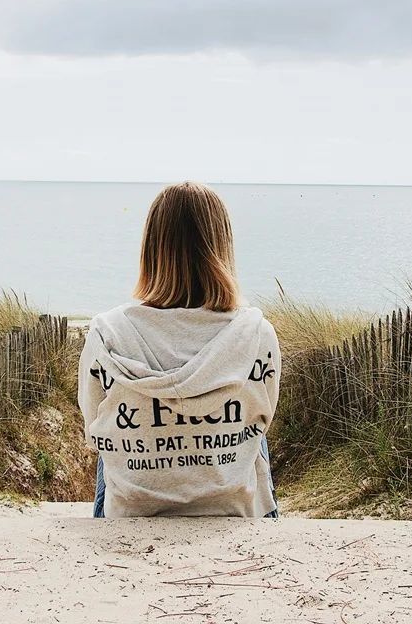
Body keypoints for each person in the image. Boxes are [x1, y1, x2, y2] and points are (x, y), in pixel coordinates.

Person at [78, 182, 281, 518]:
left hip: (133, 513)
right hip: (231, 510)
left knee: (109, 437)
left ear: (151, 249)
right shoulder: (256, 333)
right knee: (254, 434)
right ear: (223, 247)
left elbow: (93, 429)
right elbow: (265, 417)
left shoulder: (107, 332)